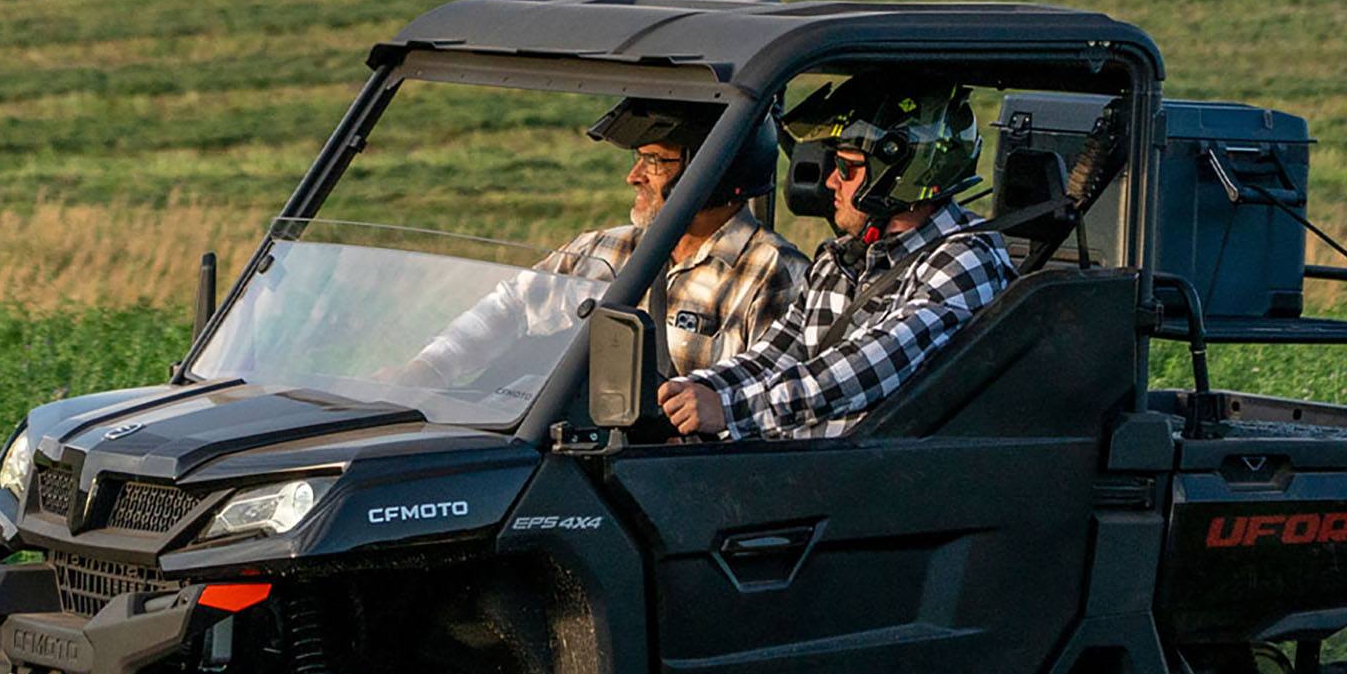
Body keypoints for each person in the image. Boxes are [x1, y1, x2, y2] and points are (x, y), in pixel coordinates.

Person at [658, 74, 1014, 440]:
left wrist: (735, 409)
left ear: (902, 174)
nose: (830, 181)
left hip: (878, 481)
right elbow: (773, 355)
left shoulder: (967, 260)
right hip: (809, 472)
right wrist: (688, 392)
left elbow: (871, 365)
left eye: (846, 167)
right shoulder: (839, 260)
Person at [409, 98, 805, 385]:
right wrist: (426, 371)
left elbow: (765, 402)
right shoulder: (602, 249)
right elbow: (510, 306)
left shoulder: (772, 274)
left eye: (654, 161)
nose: (633, 176)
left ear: (716, 171)